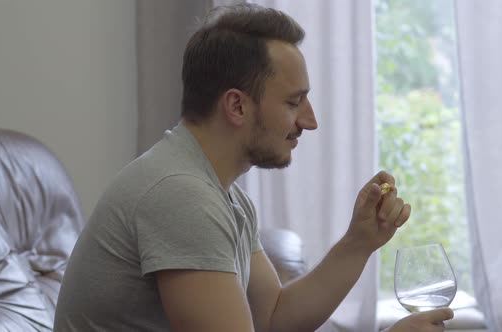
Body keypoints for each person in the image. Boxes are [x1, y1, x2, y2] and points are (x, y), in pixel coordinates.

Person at [54, 4, 454, 332]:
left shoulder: (221, 193)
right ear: (237, 106)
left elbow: (274, 316)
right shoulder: (180, 194)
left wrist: (360, 241)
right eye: (294, 102)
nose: (310, 121)